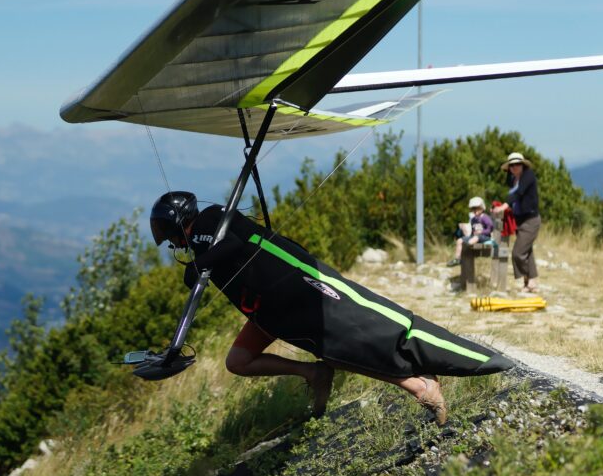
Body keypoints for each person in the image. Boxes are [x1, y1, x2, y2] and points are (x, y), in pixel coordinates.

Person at [149, 191, 514, 425]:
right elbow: (221, 254)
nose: (173, 244)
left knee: (343, 347)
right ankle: (313, 375)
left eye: (170, 236)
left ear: (177, 224)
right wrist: (201, 265)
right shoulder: (204, 239)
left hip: (292, 292)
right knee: (238, 362)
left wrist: (202, 263)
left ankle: (420, 386)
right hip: (268, 310)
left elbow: (234, 244)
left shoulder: (211, 222)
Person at [492, 152, 540, 293]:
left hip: (530, 220)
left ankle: (529, 279)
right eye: (511, 165)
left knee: (518, 253)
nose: (514, 167)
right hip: (519, 220)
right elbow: (512, 194)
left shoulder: (528, 176)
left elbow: (518, 193)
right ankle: (531, 283)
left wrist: (503, 206)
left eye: (517, 164)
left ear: (523, 165)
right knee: (527, 252)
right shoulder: (513, 179)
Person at [447, 196, 494, 267]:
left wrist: (482, 232)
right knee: (459, 240)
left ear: (482, 208)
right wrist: (469, 236)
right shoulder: (473, 219)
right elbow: (473, 230)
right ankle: (457, 259)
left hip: (485, 237)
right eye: (473, 209)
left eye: (477, 208)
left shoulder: (484, 217)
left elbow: (490, 229)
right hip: (475, 237)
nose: (475, 210)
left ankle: (466, 256)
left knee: (473, 240)